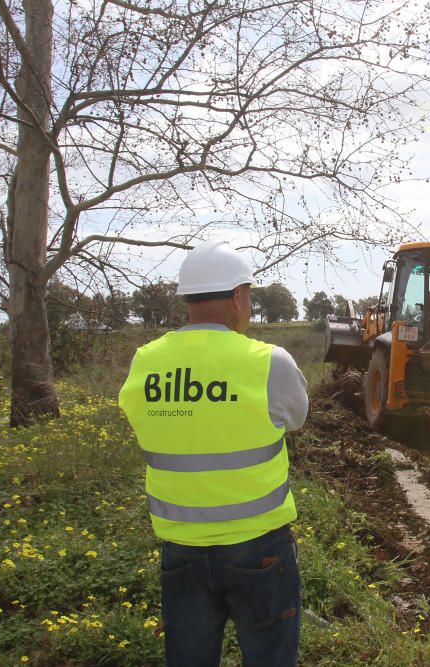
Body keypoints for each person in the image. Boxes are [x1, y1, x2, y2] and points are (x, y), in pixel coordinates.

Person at [118, 240, 308, 667]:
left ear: (188, 299)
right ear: (239, 297)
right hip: (259, 546)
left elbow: (138, 419)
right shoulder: (268, 362)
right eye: (251, 298)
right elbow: (295, 418)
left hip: (181, 547)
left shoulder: (146, 362)